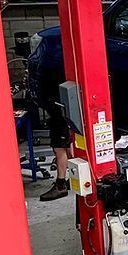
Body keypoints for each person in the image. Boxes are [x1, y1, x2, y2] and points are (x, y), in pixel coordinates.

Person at [27, 32, 72, 201]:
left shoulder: (52, 66)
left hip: (60, 110)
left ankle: (60, 185)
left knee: (60, 147)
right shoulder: (61, 63)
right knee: (66, 146)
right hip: (59, 109)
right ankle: (70, 178)